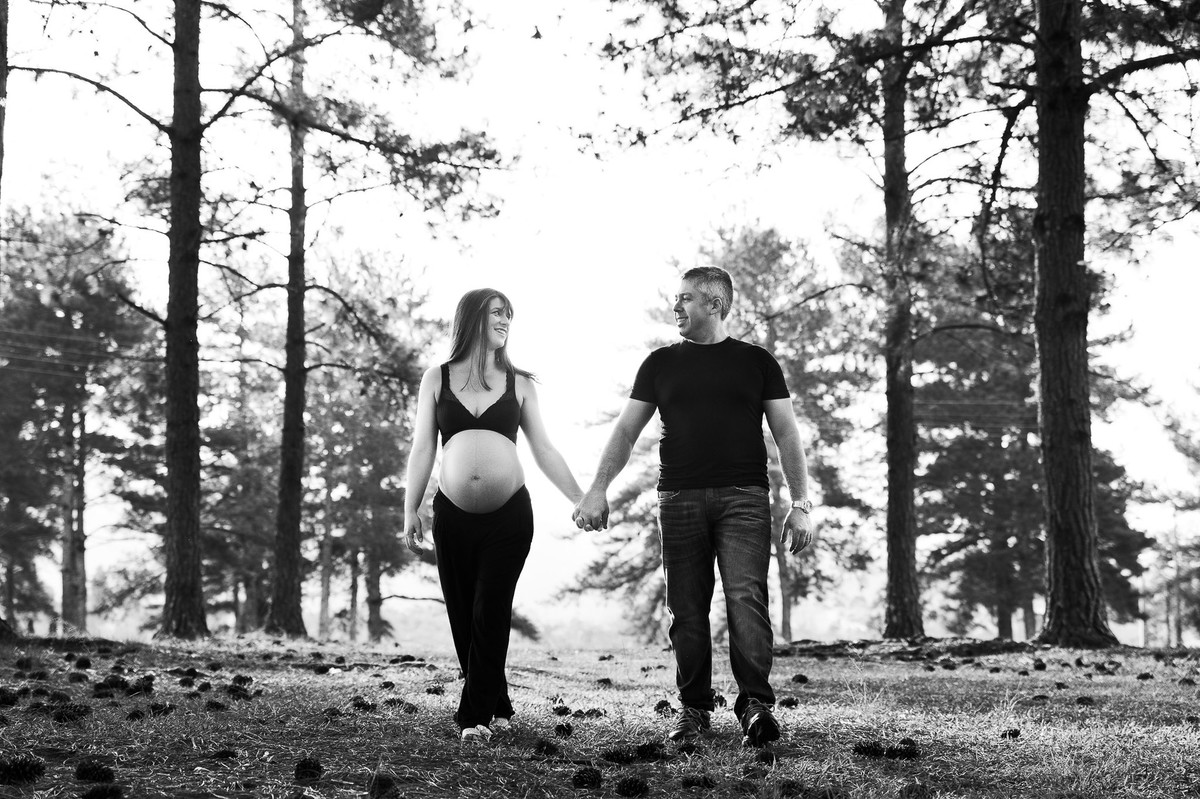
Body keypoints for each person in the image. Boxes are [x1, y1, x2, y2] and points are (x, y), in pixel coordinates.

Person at [573, 266, 815, 748]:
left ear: (715, 305)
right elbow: (625, 432)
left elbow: (786, 433)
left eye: (684, 299)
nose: (676, 307)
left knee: (746, 599)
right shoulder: (659, 364)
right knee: (685, 609)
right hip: (678, 499)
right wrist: (597, 488)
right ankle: (694, 710)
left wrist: (801, 503)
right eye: (675, 299)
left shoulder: (757, 362)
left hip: (745, 499)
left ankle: (755, 706)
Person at [404, 288, 583, 743]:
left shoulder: (519, 382)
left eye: (509, 315)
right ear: (472, 318)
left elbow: (543, 448)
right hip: (452, 514)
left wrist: (580, 497)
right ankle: (498, 701)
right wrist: (411, 509)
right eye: (497, 313)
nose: (505, 321)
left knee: (490, 607)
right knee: (463, 613)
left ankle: (474, 718)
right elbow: (423, 448)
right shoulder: (436, 378)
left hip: (509, 515)